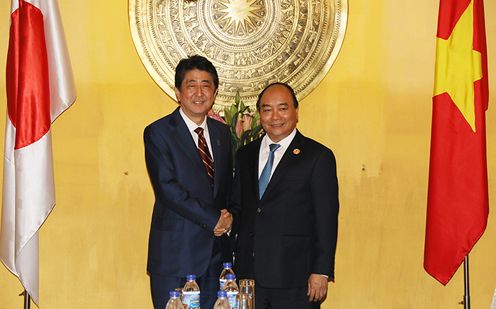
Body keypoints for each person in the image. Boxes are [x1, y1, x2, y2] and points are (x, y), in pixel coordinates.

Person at [231, 82, 339, 309]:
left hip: (296, 278)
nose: (275, 116)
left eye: (283, 108)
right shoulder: (245, 154)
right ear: (260, 114)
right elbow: (241, 209)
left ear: (296, 112)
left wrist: (321, 270)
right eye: (267, 109)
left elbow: (326, 219)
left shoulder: (317, 156)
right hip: (249, 277)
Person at [144, 55, 233, 309]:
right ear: (178, 92)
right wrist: (213, 218)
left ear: (214, 93)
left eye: (206, 85)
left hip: (216, 259)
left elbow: (227, 189)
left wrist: (229, 218)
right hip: (176, 256)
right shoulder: (158, 132)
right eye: (191, 85)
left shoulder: (222, 134)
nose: (198, 92)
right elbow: (167, 189)